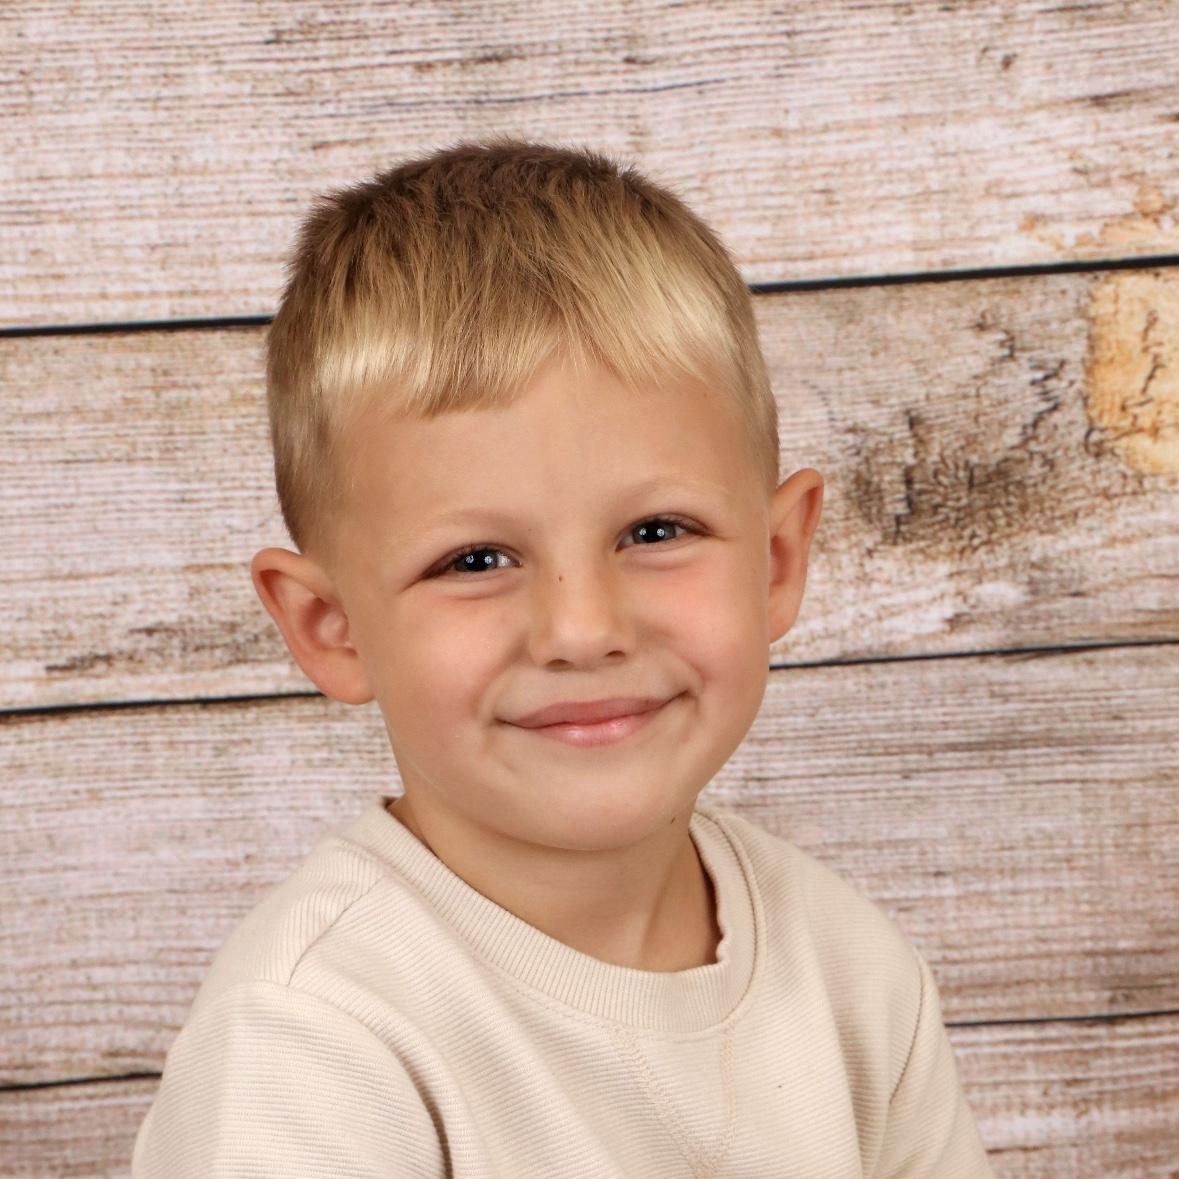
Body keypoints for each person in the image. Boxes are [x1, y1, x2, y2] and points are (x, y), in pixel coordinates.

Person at [131, 136, 994, 1178]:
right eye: (475, 560)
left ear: (774, 561)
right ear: (331, 626)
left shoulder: (850, 972)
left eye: (655, 532)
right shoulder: (311, 1042)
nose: (583, 630)